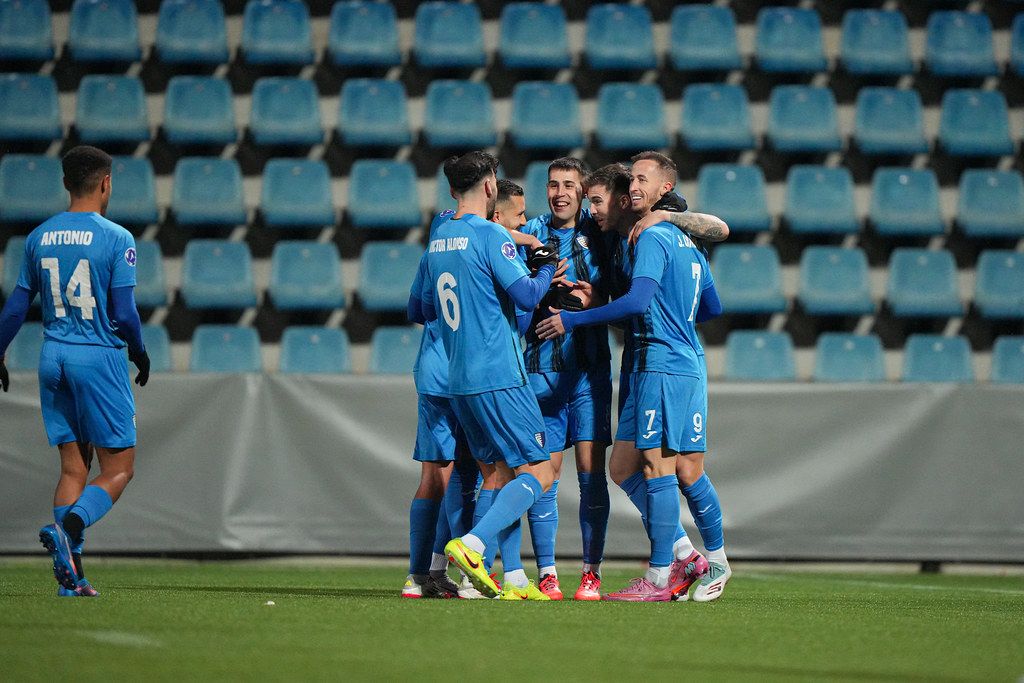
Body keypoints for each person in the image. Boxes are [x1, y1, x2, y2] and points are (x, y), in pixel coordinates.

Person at [537, 154, 730, 601]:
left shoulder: (654, 236)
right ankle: (689, 554)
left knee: (666, 468)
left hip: (662, 364)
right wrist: (667, 314)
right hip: (665, 360)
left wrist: (576, 321)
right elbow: (711, 307)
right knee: (625, 466)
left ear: (632, 196)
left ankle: (666, 574)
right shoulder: (683, 239)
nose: (591, 209)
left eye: (599, 200)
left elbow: (639, 302)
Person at [0, 145, 150, 597]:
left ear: (66, 183)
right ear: (106, 183)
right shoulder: (117, 237)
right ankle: (69, 526)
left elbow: (14, 307)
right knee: (119, 469)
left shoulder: (39, 237)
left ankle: (73, 580)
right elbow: (123, 314)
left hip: (53, 357)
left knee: (72, 469)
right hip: (97, 357)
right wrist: (140, 353)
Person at [415, 151, 562, 601]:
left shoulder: (439, 239)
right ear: (490, 186)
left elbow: (420, 307)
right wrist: (544, 267)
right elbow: (526, 294)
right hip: (499, 373)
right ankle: (474, 546)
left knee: (495, 472)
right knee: (540, 471)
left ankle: (502, 579)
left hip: (458, 378)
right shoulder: (489, 236)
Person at [515, 157, 613, 601]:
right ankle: (549, 573)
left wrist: (598, 297)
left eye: (569, 185)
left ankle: (591, 572)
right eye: (553, 184)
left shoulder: (599, 230)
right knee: (544, 476)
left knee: (592, 478)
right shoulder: (528, 232)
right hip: (540, 369)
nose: (560, 193)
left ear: (581, 190)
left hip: (589, 375)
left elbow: (627, 288)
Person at [403, 208, 482, 600]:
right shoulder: (481, 247)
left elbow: (416, 310)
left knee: (434, 478)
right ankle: (474, 576)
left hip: (433, 372)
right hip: (471, 375)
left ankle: (419, 575)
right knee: (483, 474)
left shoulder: (432, 253)